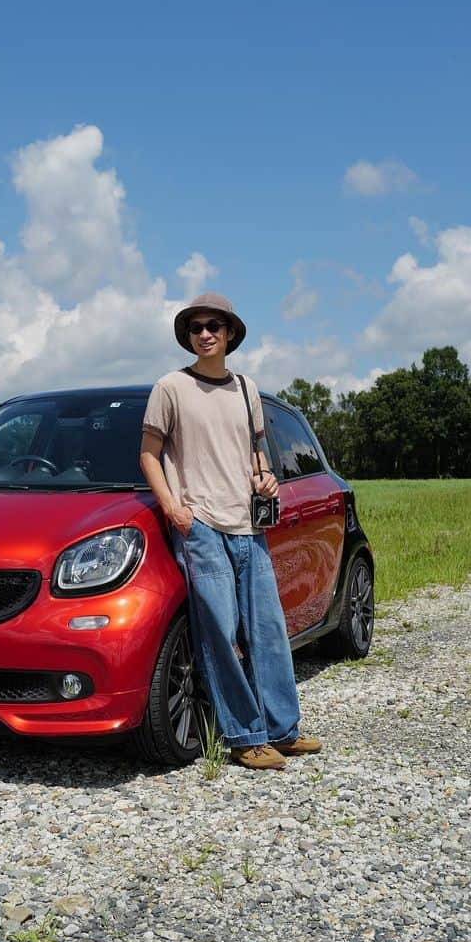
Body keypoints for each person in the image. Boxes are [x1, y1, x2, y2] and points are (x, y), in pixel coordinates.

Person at [139, 292, 321, 770]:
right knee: (219, 631)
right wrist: (174, 508)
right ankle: (244, 735)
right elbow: (148, 455)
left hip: (248, 525)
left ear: (230, 334)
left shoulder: (246, 389)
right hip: (200, 525)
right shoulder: (170, 388)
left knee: (268, 629)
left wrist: (265, 477)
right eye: (197, 327)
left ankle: (283, 730)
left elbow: (257, 454)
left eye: (214, 326)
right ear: (188, 335)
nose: (205, 334)